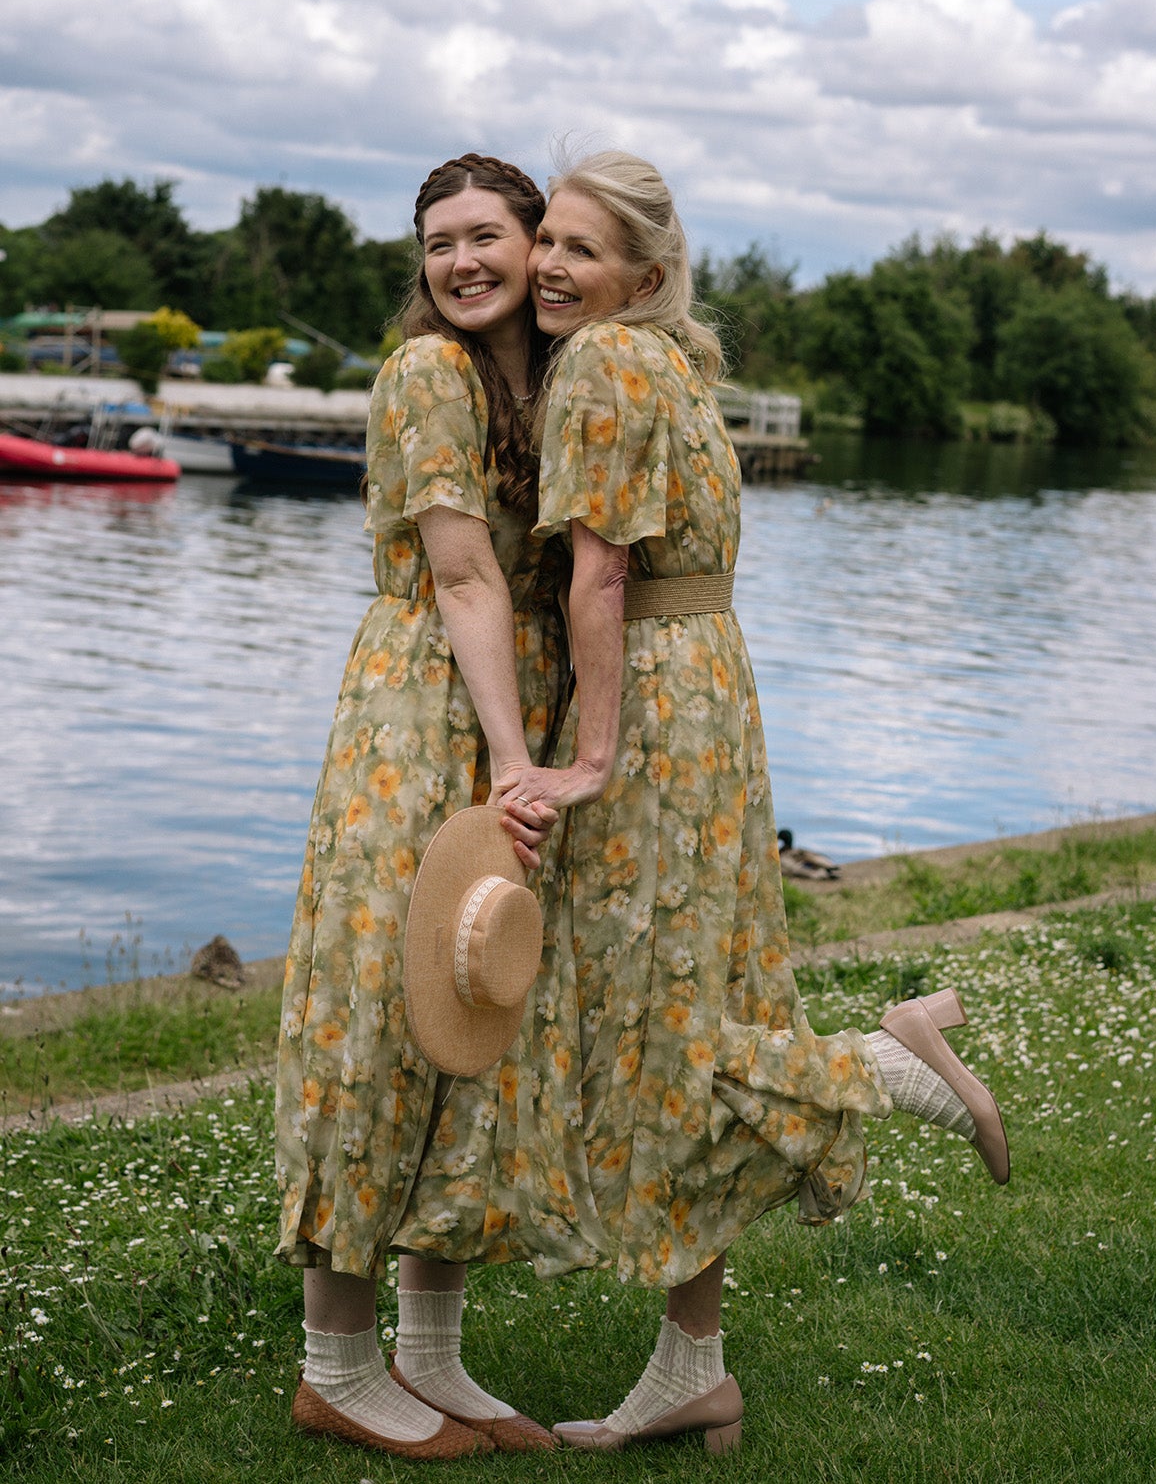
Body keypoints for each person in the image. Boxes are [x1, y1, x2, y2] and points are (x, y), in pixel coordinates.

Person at [486, 150, 1008, 1453]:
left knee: (655, 1026)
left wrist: (593, 753)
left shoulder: (605, 367)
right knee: (698, 999)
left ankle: (886, 1063)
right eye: (545, 238)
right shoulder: (677, 371)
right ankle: (691, 1368)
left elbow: (599, 580)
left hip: (654, 712)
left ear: (644, 277)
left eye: (581, 252)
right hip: (714, 692)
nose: (548, 264)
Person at [274, 154, 564, 1459]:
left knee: (473, 1020)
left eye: (486, 235)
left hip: (503, 711)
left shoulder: (542, 381)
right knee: (382, 1019)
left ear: (534, 241)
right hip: (424, 720)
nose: (462, 262)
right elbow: (459, 577)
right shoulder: (428, 376)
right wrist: (515, 763)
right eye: (440, 241)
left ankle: (432, 1361)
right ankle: (336, 1368)